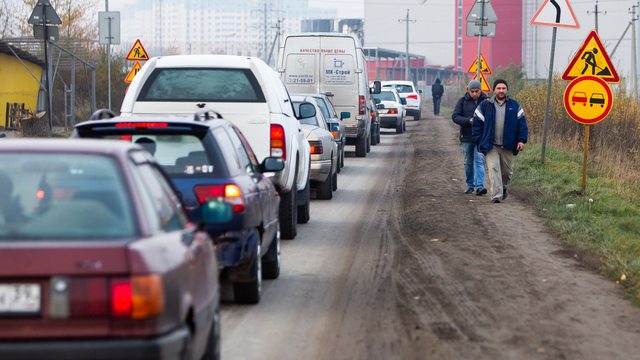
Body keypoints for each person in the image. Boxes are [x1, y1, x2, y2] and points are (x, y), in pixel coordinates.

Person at [472, 79, 528, 203]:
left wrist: (521, 141)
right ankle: (496, 195)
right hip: (491, 145)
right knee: (493, 169)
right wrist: (480, 140)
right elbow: (476, 124)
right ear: (494, 90)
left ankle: (504, 187)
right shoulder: (485, 105)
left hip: (508, 144)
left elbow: (522, 125)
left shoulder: (514, 106)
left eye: (503, 88)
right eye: (498, 88)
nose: (501, 90)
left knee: (507, 172)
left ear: (506, 90)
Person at [452, 80, 488, 195]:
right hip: (466, 137)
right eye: (472, 91)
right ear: (468, 90)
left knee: (480, 161)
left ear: (480, 90)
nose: (474, 94)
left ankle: (479, 187)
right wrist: (468, 121)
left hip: (481, 137)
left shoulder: (487, 102)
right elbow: (455, 117)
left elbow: (492, 118)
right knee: (468, 162)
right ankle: (470, 185)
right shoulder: (462, 101)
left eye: (476, 91)